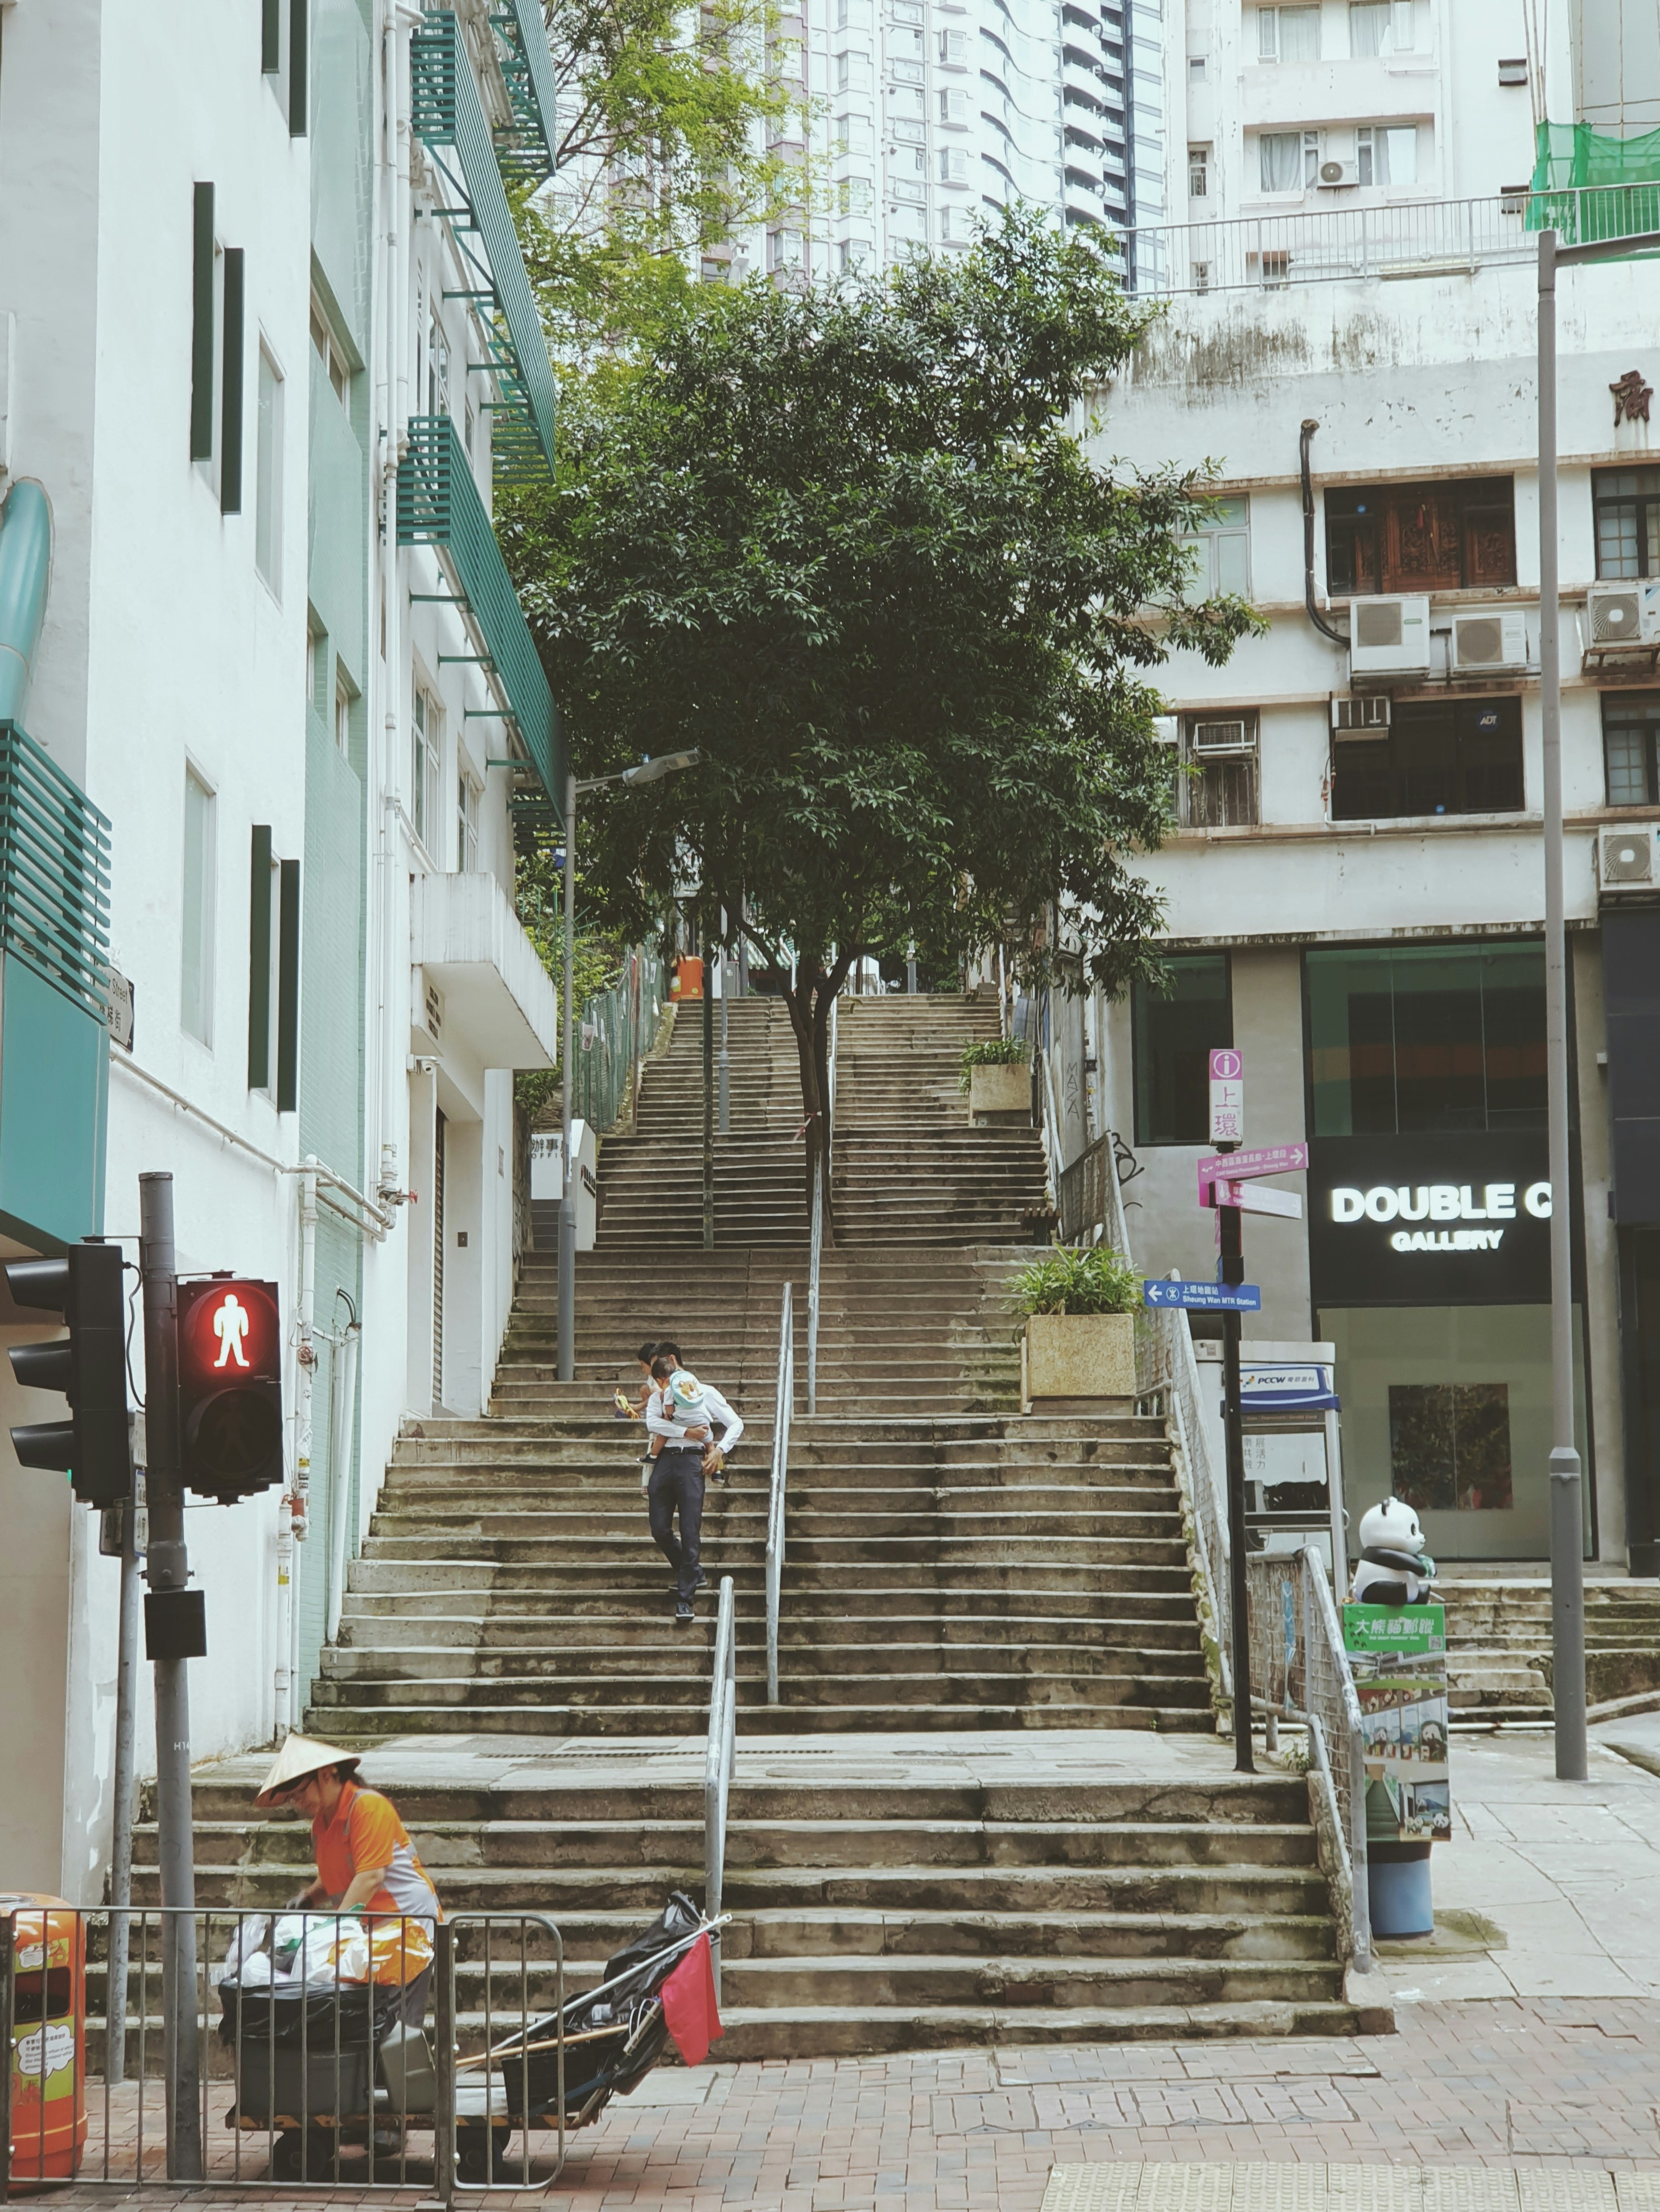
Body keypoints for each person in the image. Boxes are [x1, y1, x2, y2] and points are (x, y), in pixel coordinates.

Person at [254, 1734, 442, 2031]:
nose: (300, 1803)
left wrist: (333, 1929)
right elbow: (337, 1875)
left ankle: (403, 2078)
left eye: (301, 1793)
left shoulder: (367, 1807)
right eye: (292, 1799)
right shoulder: (321, 1825)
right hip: (369, 1935)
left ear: (327, 1776)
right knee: (370, 2024)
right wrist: (309, 1897)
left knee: (396, 2027)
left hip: (406, 1928)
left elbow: (370, 1876)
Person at [644, 1353, 743, 1621]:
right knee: (659, 1528)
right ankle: (693, 1572)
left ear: (673, 1363)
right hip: (665, 1461)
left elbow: (737, 1423)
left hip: (691, 1462)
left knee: (690, 1529)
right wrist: (686, 1432)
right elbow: (652, 1423)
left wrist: (719, 1450)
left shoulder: (705, 1392)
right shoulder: (657, 1397)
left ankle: (685, 1598)